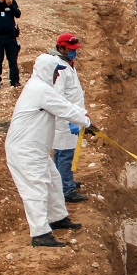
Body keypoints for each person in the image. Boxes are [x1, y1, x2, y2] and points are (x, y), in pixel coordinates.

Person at [5, 55, 95, 247]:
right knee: (35, 189)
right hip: (25, 150)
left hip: (36, 149)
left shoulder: (42, 88)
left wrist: (83, 117)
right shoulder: (40, 89)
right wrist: (86, 122)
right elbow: (64, 109)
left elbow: (65, 104)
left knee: (54, 180)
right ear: (46, 70)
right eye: (55, 72)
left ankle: (57, 218)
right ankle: (40, 233)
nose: (56, 76)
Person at [48, 33, 88, 203]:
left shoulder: (68, 64)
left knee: (63, 153)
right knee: (65, 154)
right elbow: (59, 98)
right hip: (65, 120)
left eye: (75, 50)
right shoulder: (60, 68)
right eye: (70, 50)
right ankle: (66, 189)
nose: (74, 53)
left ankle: (64, 181)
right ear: (61, 48)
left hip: (72, 116)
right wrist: (70, 120)